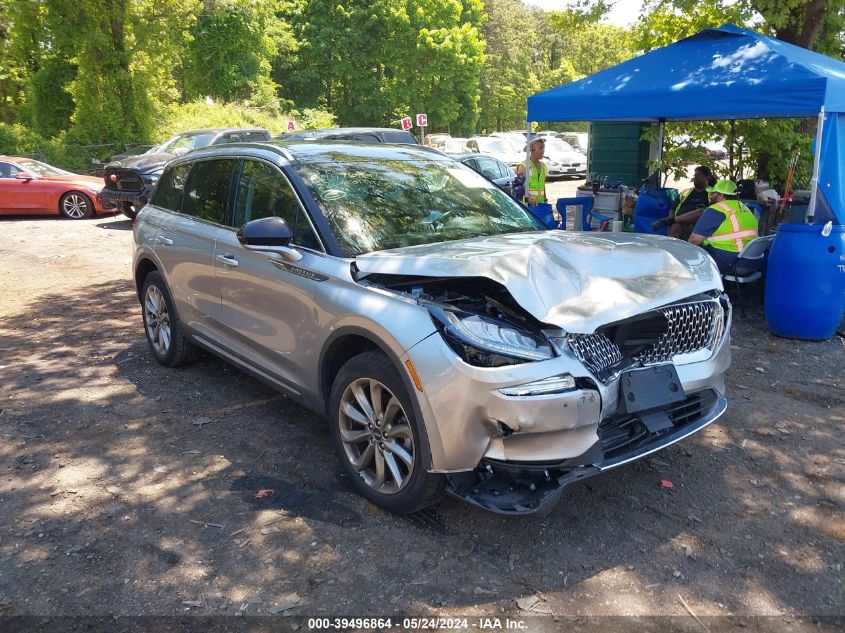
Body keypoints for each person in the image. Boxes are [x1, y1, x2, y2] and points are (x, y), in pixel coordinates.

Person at [688, 179, 758, 274]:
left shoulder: (716, 209)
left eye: (713, 193)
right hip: (752, 261)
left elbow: (694, 240)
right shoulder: (745, 208)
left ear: (721, 195)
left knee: (692, 255)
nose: (711, 196)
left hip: (731, 262)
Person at [652, 165, 715, 239]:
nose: (695, 178)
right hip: (681, 223)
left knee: (702, 211)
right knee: (675, 228)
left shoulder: (712, 193)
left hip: (698, 225)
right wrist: (671, 224)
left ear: (706, 177)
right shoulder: (686, 192)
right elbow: (672, 209)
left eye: (698, 175)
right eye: (695, 175)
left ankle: (669, 221)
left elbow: (714, 212)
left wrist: (706, 209)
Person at [515, 137, 547, 205]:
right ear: (532, 149)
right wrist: (528, 198)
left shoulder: (543, 166)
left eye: (543, 148)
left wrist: (545, 200)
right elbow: (518, 186)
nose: (543, 151)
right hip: (527, 206)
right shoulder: (523, 166)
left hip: (540, 205)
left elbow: (542, 185)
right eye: (541, 148)